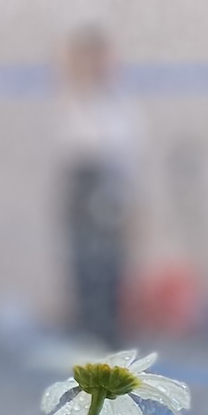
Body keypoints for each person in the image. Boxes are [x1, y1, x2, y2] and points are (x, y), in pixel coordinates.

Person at [56, 23, 142, 348]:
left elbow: (128, 150)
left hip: (110, 175)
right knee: (85, 258)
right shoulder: (76, 97)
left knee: (110, 259)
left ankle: (108, 330)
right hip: (84, 177)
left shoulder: (118, 103)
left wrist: (131, 197)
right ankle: (88, 329)